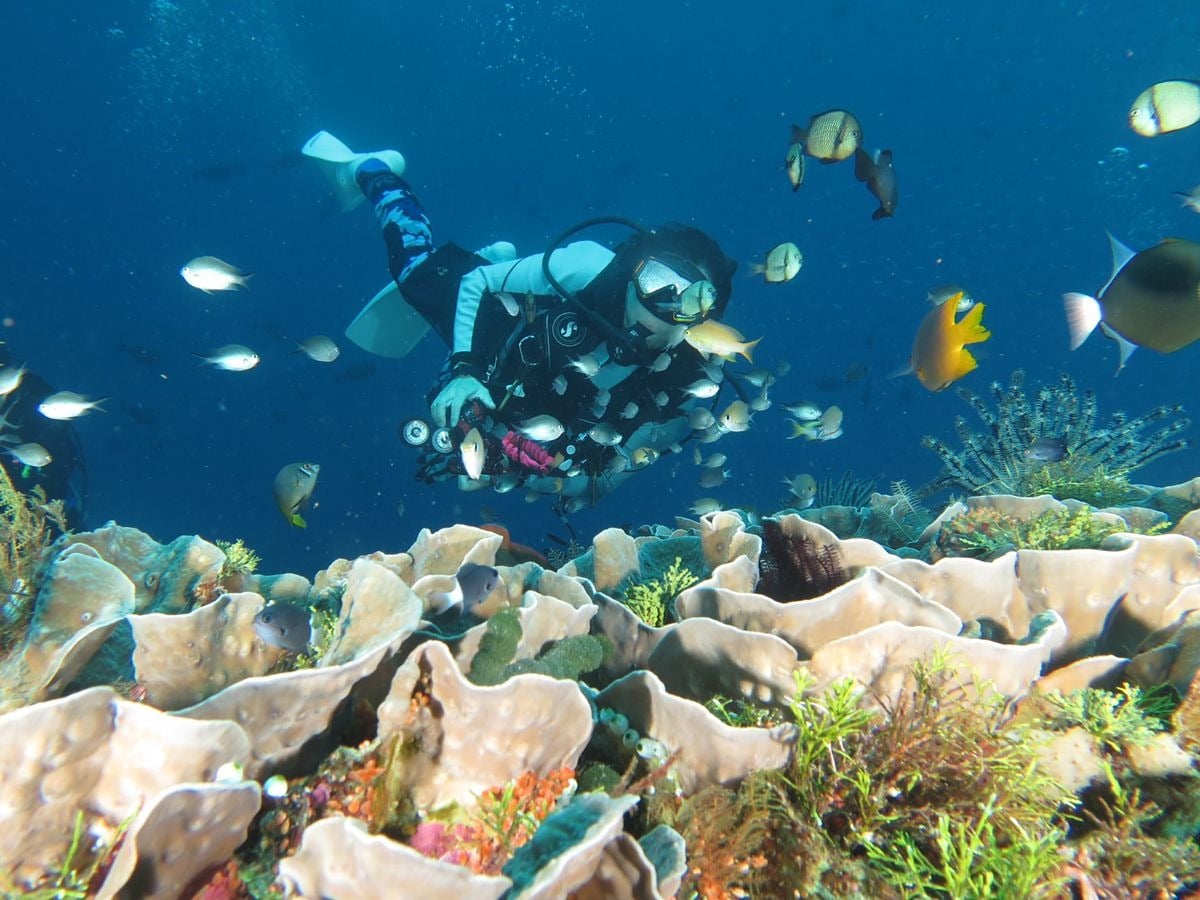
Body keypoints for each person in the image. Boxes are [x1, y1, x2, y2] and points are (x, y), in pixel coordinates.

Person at [304, 131, 740, 511]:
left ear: (703, 320)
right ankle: (372, 170)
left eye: (691, 298)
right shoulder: (589, 268)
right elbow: (476, 285)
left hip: (546, 407)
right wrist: (464, 371)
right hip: (505, 332)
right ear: (633, 270)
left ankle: (507, 268)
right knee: (415, 271)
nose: (662, 304)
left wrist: (506, 464)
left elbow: (604, 481)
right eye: (657, 279)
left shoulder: (686, 377)